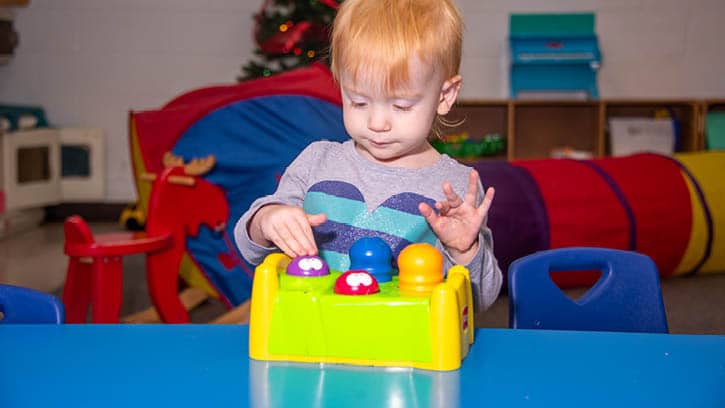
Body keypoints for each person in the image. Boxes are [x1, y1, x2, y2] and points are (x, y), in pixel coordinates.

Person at [234, 0, 502, 311]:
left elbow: (481, 300)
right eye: (359, 102)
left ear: (445, 96)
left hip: (406, 348)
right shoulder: (316, 161)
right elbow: (249, 248)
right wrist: (267, 219)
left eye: (401, 106)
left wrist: (465, 249)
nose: (377, 123)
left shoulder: (456, 187)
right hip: (316, 339)